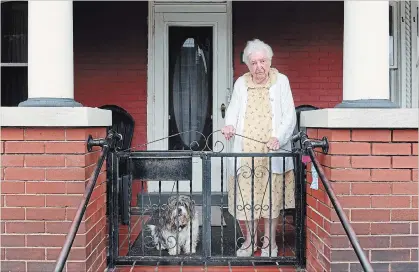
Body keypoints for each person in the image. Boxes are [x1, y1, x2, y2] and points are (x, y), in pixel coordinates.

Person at [221, 39, 297, 257]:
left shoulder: (281, 81)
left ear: (270, 61)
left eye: (262, 61)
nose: (259, 67)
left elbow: (289, 116)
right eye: (253, 62)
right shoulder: (241, 83)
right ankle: (250, 241)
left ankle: (269, 243)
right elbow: (233, 111)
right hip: (246, 153)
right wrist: (229, 126)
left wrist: (278, 138)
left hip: (271, 151)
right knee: (248, 198)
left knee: (271, 199)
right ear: (248, 64)